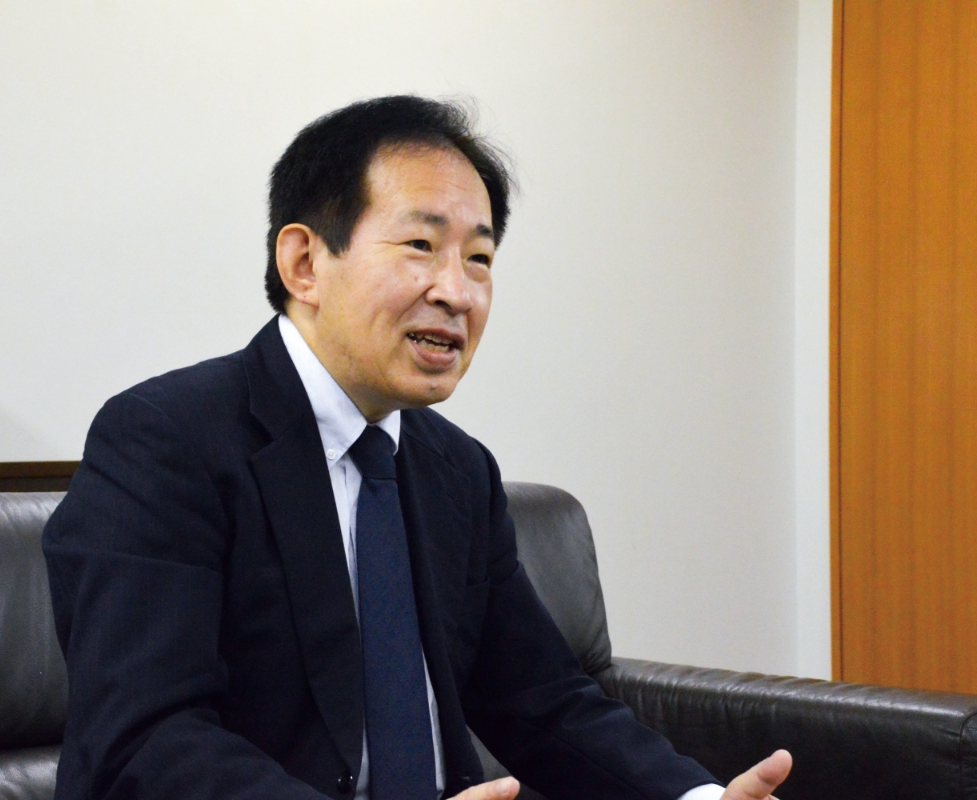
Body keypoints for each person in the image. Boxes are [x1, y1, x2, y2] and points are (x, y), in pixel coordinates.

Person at [42, 95, 793, 800]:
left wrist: (695, 796)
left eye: (480, 259)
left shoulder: (457, 471)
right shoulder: (164, 441)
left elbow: (543, 701)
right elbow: (143, 741)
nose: (458, 293)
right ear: (304, 263)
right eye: (421, 246)